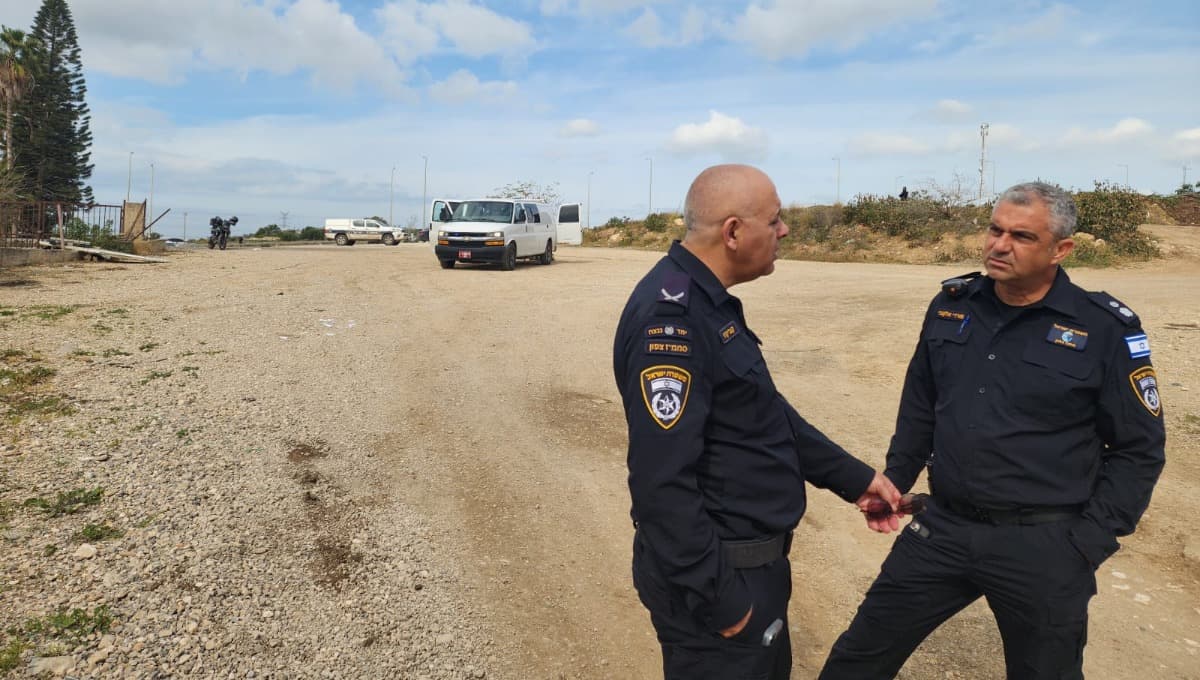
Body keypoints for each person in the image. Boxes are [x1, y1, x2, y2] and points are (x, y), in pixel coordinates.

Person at [819, 181, 1166, 679]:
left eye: (1021, 236)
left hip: (1043, 544)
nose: (999, 246)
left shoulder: (1102, 329)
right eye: (995, 229)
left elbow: (1139, 448)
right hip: (943, 527)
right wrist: (895, 478)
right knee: (857, 660)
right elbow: (920, 407)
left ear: (1060, 250)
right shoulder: (952, 306)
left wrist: (1087, 544)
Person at [613, 164, 902, 679]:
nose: (784, 231)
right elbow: (662, 485)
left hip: (752, 570)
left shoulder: (707, 303)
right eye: (774, 220)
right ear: (732, 232)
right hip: (722, 578)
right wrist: (720, 599)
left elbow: (765, 412)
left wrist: (856, 479)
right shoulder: (672, 321)